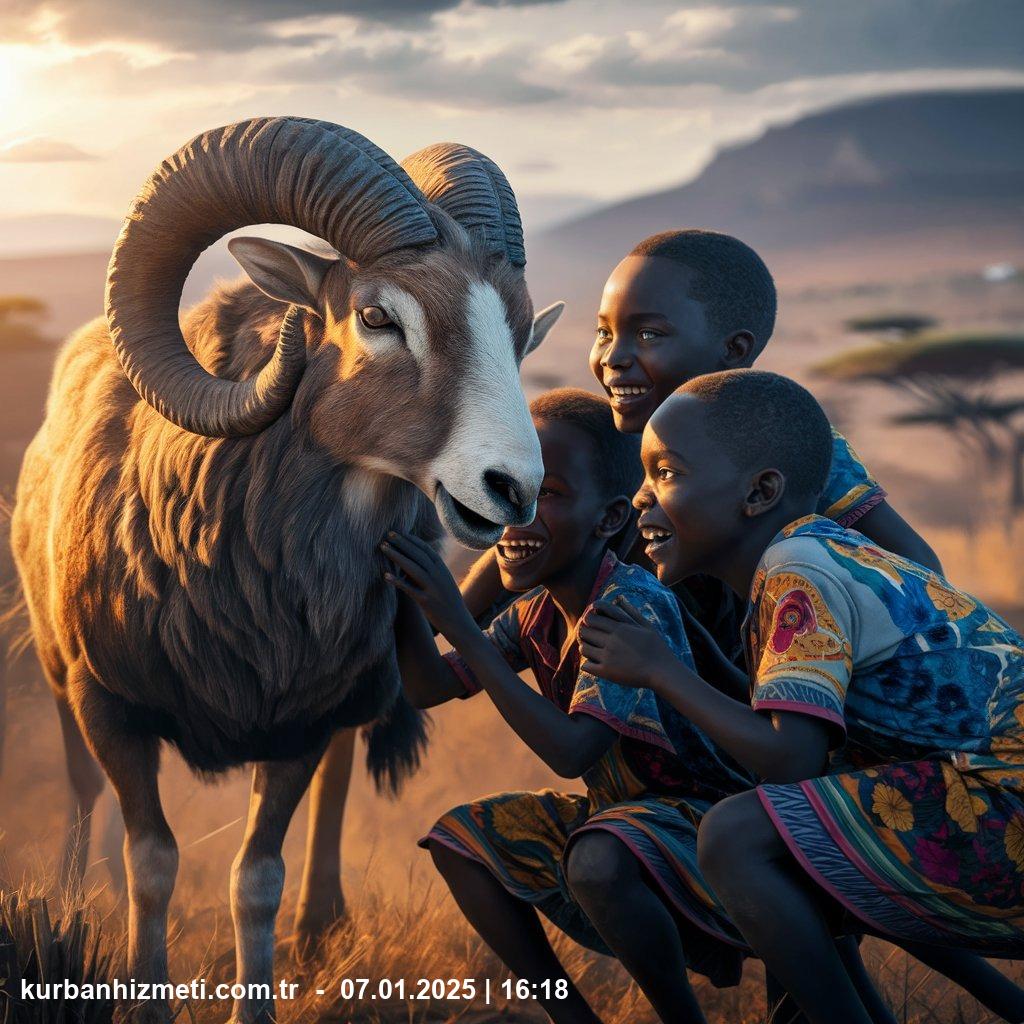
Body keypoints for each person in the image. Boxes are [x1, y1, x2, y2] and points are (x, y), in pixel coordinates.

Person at [578, 369, 1024, 1024]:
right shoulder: (812, 558)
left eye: (666, 473)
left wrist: (663, 672)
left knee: (738, 835)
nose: (642, 498)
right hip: (988, 800)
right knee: (806, 829)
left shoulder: (798, 571)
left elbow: (790, 760)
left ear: (759, 492)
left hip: (1007, 808)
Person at [382, 388, 754, 1024]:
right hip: (623, 819)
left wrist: (461, 623)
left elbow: (572, 749)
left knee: (598, 859)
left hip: (711, 829)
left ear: (610, 518)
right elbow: (425, 689)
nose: (516, 515)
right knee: (460, 842)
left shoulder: (628, 606)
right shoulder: (536, 613)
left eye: (547, 494)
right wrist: (400, 588)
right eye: (506, 488)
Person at [460, 230, 941, 668]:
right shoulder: (622, 437)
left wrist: (823, 662)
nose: (614, 356)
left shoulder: (771, 434)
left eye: (648, 335)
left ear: (734, 352)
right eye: (604, 332)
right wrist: (446, 610)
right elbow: (529, 527)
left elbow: (921, 573)